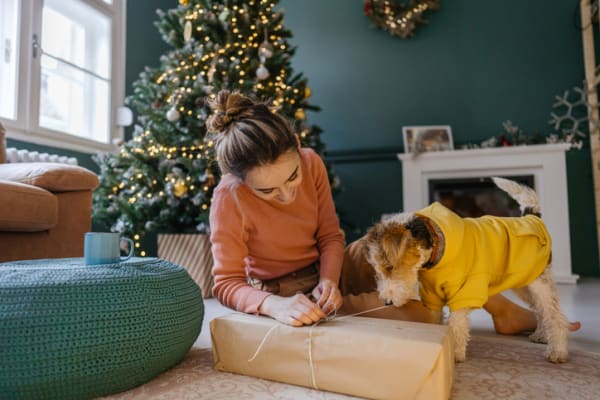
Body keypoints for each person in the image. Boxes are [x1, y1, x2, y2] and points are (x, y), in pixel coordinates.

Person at [206, 89, 580, 333]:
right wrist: (274, 304)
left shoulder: (311, 161)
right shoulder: (229, 198)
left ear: (298, 146)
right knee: (426, 315)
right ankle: (341, 311)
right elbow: (226, 283)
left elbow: (330, 237)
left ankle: (503, 310)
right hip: (283, 287)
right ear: (238, 180)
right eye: (268, 191)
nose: (288, 195)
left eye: (292, 178)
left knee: (418, 236)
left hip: (332, 262)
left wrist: (330, 279)